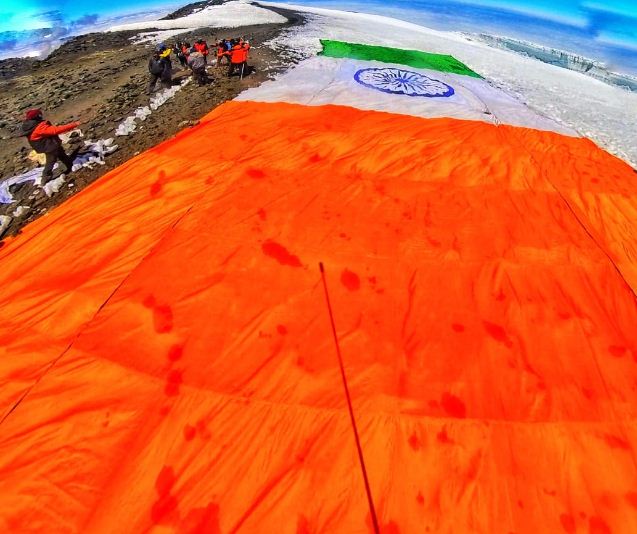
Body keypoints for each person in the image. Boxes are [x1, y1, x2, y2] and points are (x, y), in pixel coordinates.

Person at [20, 109, 80, 184]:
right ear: (37, 116)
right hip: (49, 146)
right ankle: (45, 178)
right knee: (51, 161)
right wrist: (74, 124)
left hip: (48, 145)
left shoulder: (30, 125)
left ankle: (69, 165)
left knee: (61, 154)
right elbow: (55, 130)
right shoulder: (39, 127)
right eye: (40, 115)